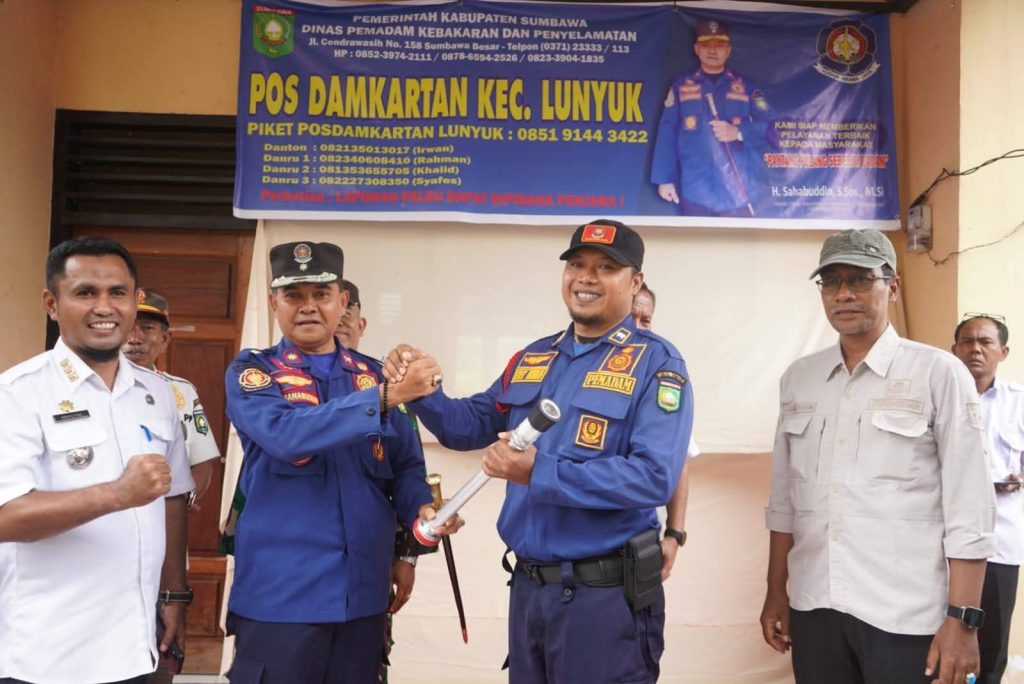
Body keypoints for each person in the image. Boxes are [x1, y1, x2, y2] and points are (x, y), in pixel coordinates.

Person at [385, 219, 693, 683]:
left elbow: (651, 477)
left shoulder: (658, 364)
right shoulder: (535, 356)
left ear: (635, 282)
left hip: (603, 599)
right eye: (577, 265)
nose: (586, 277)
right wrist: (419, 384)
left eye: (606, 267)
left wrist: (538, 472)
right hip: (529, 590)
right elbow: (466, 426)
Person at [759, 229, 996, 684]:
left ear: (892, 286)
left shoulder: (938, 373)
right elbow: (784, 500)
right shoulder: (800, 378)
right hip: (815, 605)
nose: (844, 294)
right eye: (831, 281)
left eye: (860, 279)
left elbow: (970, 507)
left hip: (905, 615)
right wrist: (776, 592)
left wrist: (963, 620)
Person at [223, 242, 459, 683]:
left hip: (362, 597)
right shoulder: (253, 373)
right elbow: (286, 435)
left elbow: (406, 467)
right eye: (294, 296)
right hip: (282, 598)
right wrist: (384, 398)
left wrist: (421, 510)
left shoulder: (373, 376)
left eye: (321, 295)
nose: (308, 307)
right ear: (274, 302)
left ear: (342, 302)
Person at [0, 236, 193, 684]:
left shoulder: (157, 392)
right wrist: (116, 494)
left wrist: (175, 595)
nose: (104, 307)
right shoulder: (18, 394)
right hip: (47, 656)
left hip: (135, 648)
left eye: (118, 293)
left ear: (135, 300)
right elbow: (6, 516)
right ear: (52, 303)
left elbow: (172, 498)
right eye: (85, 293)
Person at [336, 278, 435, 684]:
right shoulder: (279, 381)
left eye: (348, 311)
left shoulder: (390, 387)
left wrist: (406, 556)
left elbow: (408, 473)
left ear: (362, 323)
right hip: (295, 578)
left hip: (367, 569)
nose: (338, 318)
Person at [951, 314, 1024, 683]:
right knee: (936, 640)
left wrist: (1019, 478)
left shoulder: (1020, 403)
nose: (975, 349)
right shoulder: (940, 398)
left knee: (991, 646)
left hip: (1001, 542)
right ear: (954, 350)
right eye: (966, 341)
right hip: (942, 545)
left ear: (1003, 351)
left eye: (985, 342)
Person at [650, 19, 769, 217]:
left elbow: (771, 126)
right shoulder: (681, 85)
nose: (712, 51)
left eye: (719, 46)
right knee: (695, 246)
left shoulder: (748, 88)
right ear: (696, 49)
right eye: (706, 45)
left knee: (738, 246)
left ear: (728, 50)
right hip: (696, 189)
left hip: (738, 190)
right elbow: (667, 131)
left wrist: (738, 132)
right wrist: (665, 179)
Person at [123, 289, 220, 508]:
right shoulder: (91, 390)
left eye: (147, 328)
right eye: (128, 328)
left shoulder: (181, 392)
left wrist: (181, 503)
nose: (135, 339)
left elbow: (202, 463)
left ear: (165, 339)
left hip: (166, 515)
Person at [631, 283, 700, 580]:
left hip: (642, 542)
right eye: (629, 317)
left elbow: (678, 463)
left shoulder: (662, 374)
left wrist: (674, 534)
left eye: (645, 320)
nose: (638, 328)